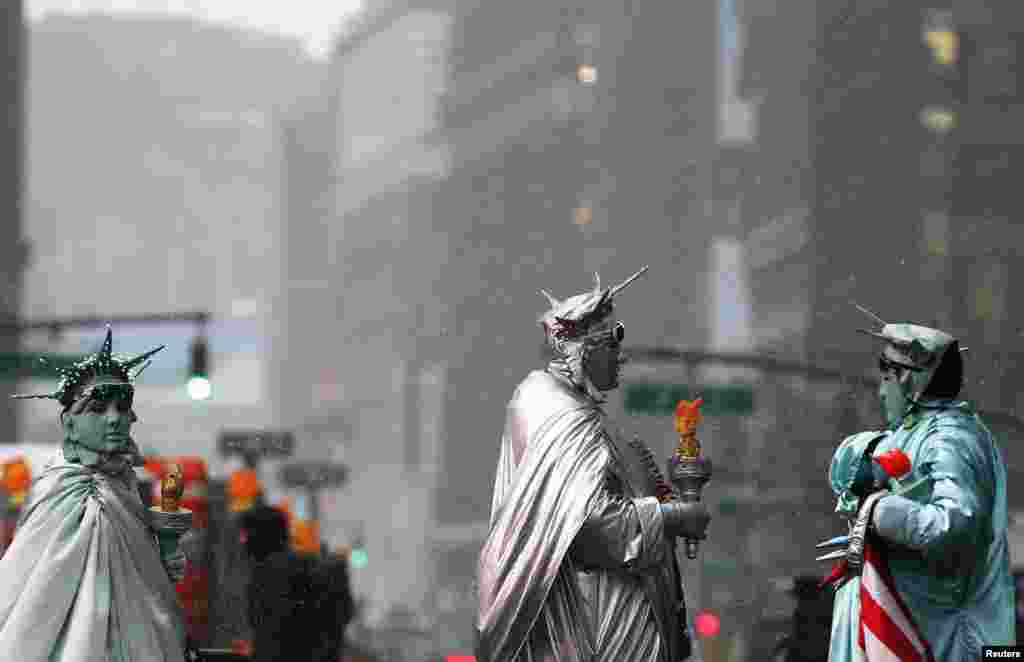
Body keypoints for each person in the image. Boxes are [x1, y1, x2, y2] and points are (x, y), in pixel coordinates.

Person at [476, 267, 711, 662]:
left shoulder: (558, 406)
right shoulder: (563, 413)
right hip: (596, 627)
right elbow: (592, 525)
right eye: (613, 341)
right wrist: (673, 516)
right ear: (585, 347)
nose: (622, 355)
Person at [821, 313, 1015, 661]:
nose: (881, 393)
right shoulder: (910, 432)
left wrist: (876, 508)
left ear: (908, 379)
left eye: (885, 379)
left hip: (939, 642)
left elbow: (952, 525)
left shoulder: (951, 439)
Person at [0, 327, 188, 660]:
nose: (114, 419)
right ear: (69, 423)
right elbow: (30, 591)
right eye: (98, 410)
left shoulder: (122, 483)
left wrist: (164, 556)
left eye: (122, 407)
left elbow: (143, 576)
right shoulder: (68, 489)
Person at [240, 503, 354, 662]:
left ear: (260, 536)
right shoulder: (311, 567)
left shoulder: (269, 573)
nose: (243, 542)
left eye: (246, 535)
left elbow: (270, 636)